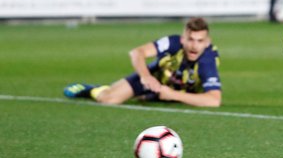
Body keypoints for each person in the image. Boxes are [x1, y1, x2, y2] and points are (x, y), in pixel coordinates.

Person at [64, 18, 222, 107]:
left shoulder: (208, 59)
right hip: (156, 79)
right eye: (190, 40)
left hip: (180, 90)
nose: (194, 46)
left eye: (200, 41)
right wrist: (146, 77)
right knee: (108, 99)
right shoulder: (172, 42)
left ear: (207, 42)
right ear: (183, 39)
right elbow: (136, 52)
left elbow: (214, 100)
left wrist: (173, 94)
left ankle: (154, 97)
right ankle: (92, 90)